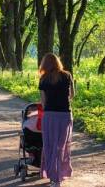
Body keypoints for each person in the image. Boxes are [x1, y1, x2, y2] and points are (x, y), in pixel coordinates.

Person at [38, 53, 75, 187]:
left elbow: (43, 102)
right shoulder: (67, 75)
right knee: (62, 146)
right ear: (58, 62)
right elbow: (72, 95)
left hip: (50, 116)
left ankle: (53, 178)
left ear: (44, 65)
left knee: (50, 146)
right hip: (65, 115)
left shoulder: (43, 79)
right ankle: (60, 176)